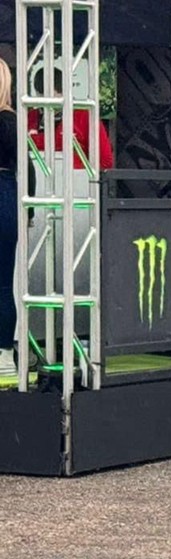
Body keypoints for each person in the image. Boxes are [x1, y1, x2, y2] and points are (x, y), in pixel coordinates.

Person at [1, 63, 19, 376]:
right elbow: (24, 166)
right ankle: (4, 353)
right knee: (3, 282)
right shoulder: (11, 121)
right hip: (6, 193)